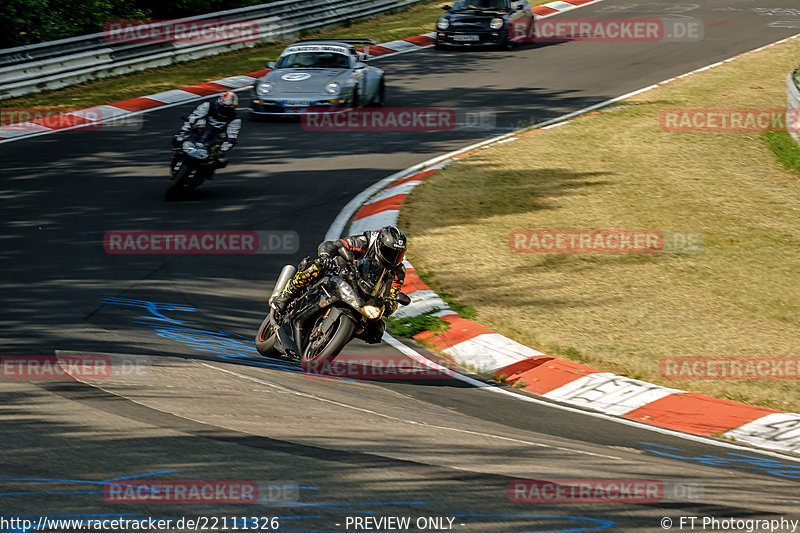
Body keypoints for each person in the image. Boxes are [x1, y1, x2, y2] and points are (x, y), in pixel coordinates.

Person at [272, 226, 408, 319]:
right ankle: (286, 295)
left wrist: (390, 305)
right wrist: (326, 256)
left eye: (398, 254)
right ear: (379, 245)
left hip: (364, 295)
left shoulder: (398, 270)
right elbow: (334, 245)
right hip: (339, 273)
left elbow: (394, 292)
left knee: (376, 329)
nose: (394, 258)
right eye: (390, 252)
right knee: (317, 266)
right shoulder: (364, 242)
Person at [173, 91, 242, 161]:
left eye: (229, 107)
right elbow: (194, 117)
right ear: (219, 102)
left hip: (215, 139)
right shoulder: (208, 105)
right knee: (177, 140)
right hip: (199, 131)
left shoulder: (235, 119)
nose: (225, 109)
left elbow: (232, 136)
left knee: (220, 160)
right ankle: (177, 156)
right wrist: (184, 130)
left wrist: (222, 149)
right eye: (223, 106)